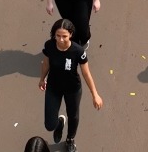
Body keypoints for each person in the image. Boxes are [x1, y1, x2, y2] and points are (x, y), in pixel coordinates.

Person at [40, 18, 103, 152]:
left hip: (72, 89)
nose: (60, 40)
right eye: (58, 36)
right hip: (53, 87)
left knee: (73, 115)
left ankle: (70, 139)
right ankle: (59, 123)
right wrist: (42, 79)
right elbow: (46, 63)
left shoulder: (78, 51)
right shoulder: (49, 45)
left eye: (64, 36)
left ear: (71, 35)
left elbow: (86, 73)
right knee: (49, 125)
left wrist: (95, 94)